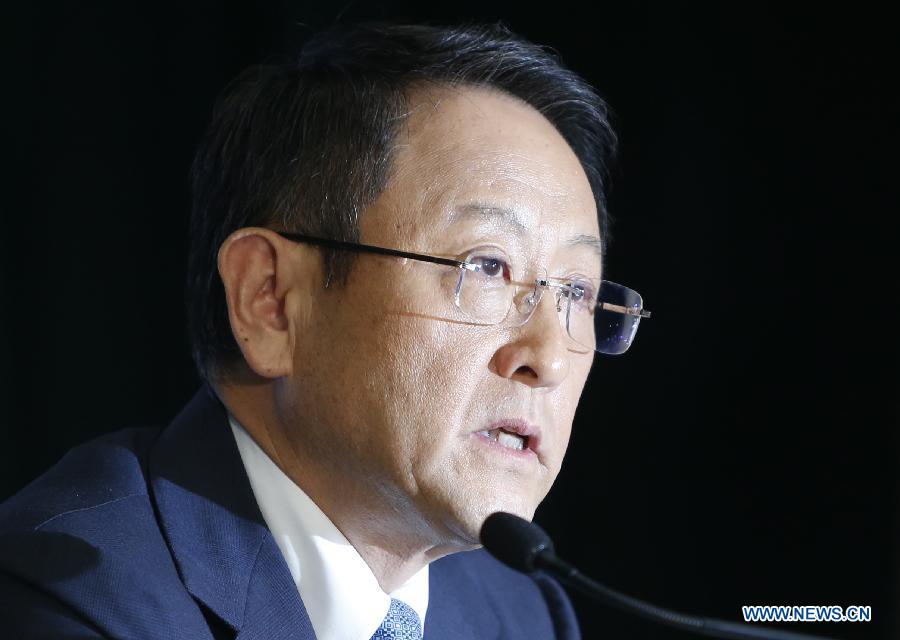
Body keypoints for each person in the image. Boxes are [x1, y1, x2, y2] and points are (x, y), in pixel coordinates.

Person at [0, 22, 649, 639]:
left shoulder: (517, 613)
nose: (549, 360)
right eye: (486, 266)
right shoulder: (73, 596)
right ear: (272, 300)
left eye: (576, 292)